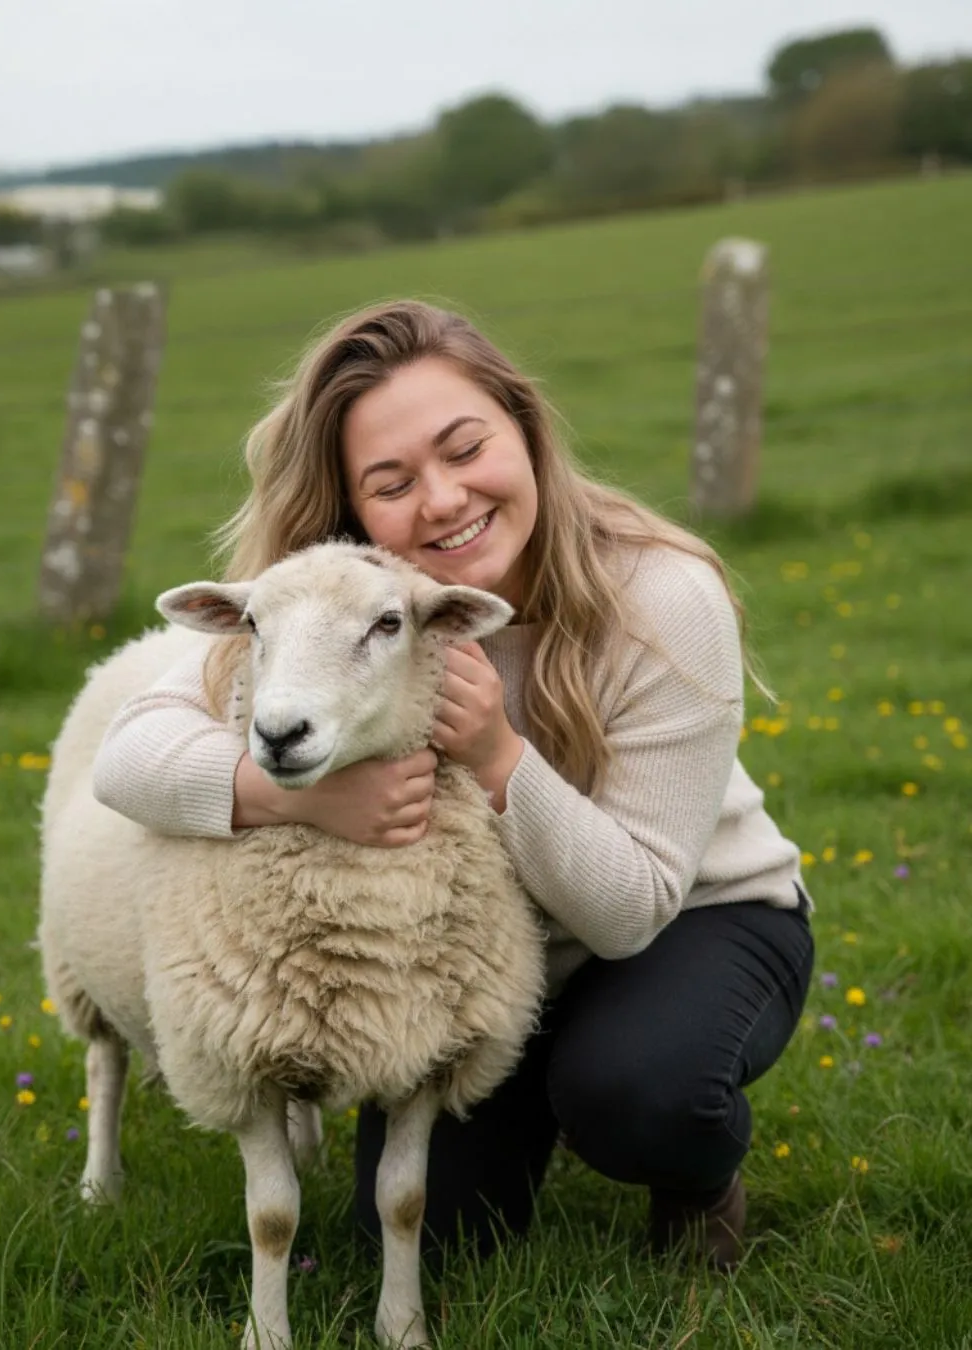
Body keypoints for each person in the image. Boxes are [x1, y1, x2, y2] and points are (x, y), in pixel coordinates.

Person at [94, 299, 813, 1270]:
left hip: (686, 921)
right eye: (391, 483)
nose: (441, 500)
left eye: (466, 448)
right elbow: (127, 754)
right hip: (477, 957)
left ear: (524, 427)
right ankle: (534, 1101)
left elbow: (631, 912)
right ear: (355, 509)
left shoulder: (659, 596)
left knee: (636, 1090)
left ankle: (695, 1174)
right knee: (430, 1241)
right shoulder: (346, 599)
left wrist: (497, 752)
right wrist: (290, 795)